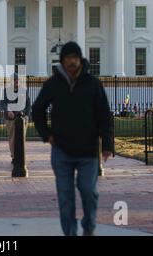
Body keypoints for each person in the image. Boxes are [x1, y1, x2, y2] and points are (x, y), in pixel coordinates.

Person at [32, 41, 114, 236]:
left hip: (88, 150)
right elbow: (37, 110)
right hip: (61, 150)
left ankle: (89, 227)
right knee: (65, 197)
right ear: (63, 61)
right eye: (68, 58)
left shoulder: (93, 83)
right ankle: (70, 233)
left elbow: (104, 115)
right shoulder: (53, 84)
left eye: (75, 58)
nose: (72, 62)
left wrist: (107, 144)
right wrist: (47, 134)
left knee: (89, 191)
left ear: (80, 60)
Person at [0, 73, 31, 164]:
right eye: (14, 80)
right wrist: (7, 111)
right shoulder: (6, 91)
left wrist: (26, 115)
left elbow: (28, 104)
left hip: (22, 118)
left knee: (22, 138)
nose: (16, 82)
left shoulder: (23, 90)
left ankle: (21, 156)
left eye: (17, 80)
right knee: (12, 138)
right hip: (10, 118)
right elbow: (3, 103)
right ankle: (14, 156)